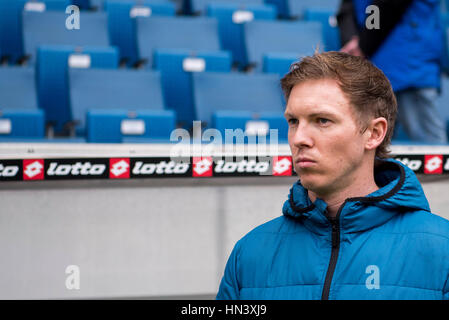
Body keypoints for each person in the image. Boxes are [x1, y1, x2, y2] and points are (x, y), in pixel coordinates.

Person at [216, 51, 449, 300]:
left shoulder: (441, 250)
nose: (299, 138)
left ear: (373, 133)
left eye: (322, 120)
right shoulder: (249, 253)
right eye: (293, 121)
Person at [337, 0, 447, 144]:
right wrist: (357, 42)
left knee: (431, 153)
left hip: (405, 68)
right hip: (393, 67)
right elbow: (355, 10)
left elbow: (382, 7)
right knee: (377, 146)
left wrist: (361, 44)